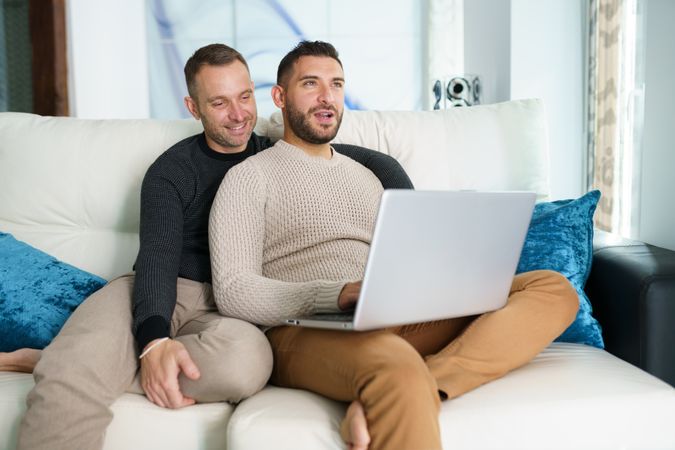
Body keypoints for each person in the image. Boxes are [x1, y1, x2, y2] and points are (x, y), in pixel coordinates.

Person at [13, 43, 411, 450]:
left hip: (227, 304)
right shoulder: (172, 170)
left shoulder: (270, 154)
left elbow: (336, 152)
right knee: (74, 375)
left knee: (246, 365)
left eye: (244, 98)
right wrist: (153, 342)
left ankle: (78, 362)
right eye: (219, 103)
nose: (238, 116)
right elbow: (157, 257)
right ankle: (78, 365)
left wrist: (398, 187)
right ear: (193, 106)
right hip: (161, 287)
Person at [208, 40, 580, 450]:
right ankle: (405, 380)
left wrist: (434, 282)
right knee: (394, 363)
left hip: (389, 314)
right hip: (303, 332)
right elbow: (234, 291)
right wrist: (335, 294)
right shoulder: (248, 177)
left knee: (552, 288)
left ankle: (429, 383)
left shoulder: (367, 177)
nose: (327, 97)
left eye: (336, 84)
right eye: (311, 84)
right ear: (280, 97)